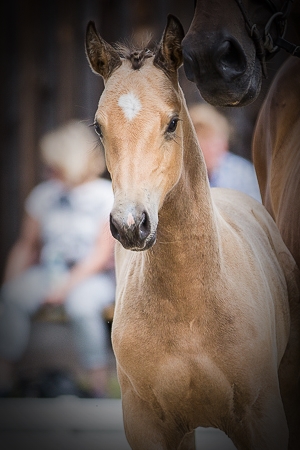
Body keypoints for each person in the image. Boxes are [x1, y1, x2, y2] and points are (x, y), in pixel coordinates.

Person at [0, 120, 115, 397]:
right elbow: (26, 245)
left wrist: (66, 288)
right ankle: (4, 379)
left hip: (93, 274)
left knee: (82, 305)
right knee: (13, 297)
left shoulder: (105, 195)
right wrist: (9, 284)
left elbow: (101, 253)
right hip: (50, 271)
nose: (48, 171)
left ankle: (97, 382)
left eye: (54, 165)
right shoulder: (43, 195)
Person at [189, 102, 261, 202]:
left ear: (224, 144)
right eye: (201, 141)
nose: (207, 148)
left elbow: (256, 213)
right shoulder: (185, 176)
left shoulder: (243, 175)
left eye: (211, 141)